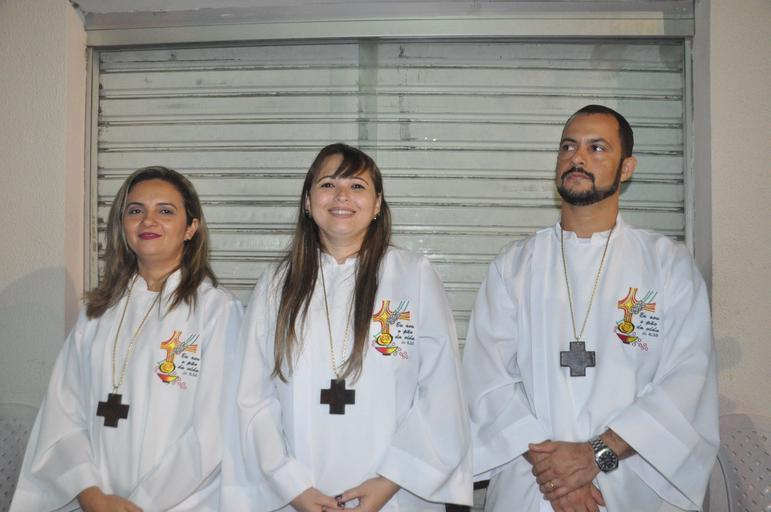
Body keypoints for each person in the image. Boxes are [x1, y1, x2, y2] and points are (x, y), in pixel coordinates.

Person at [462, 105, 718, 512]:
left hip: (632, 482)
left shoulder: (666, 264)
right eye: (568, 147)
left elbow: (687, 380)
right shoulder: (515, 265)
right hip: (532, 484)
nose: (577, 157)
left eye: (597, 148)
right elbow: (486, 379)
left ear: (627, 168)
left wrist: (596, 454)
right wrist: (557, 473)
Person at [221, 143, 472, 511]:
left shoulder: (413, 276)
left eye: (357, 186)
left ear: (377, 203)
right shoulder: (276, 283)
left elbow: (442, 390)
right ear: (308, 202)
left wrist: (389, 482)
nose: (342, 196)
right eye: (328, 184)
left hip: (395, 494)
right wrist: (293, 488)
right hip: (297, 495)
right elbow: (252, 397)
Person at [10, 166, 243, 512]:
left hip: (182, 504)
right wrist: (90, 494)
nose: (148, 220)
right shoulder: (97, 313)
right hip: (96, 501)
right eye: (135, 210)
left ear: (191, 228)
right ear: (123, 225)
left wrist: (142, 504)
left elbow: (214, 430)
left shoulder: (217, 312)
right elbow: (63, 414)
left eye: (165, 211)